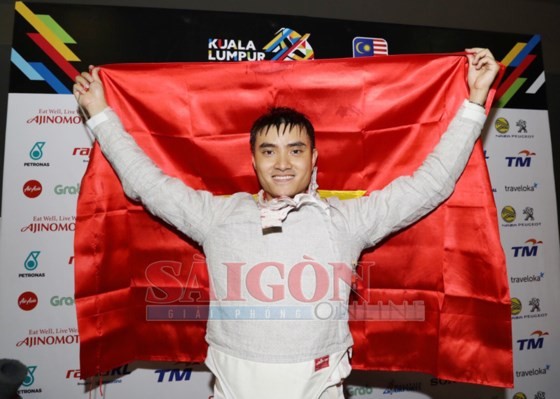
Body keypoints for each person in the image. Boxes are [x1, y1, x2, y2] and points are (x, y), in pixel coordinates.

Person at [74, 48, 500, 399]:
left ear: (314, 159)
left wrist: (474, 102)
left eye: (296, 151)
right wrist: (99, 114)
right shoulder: (217, 216)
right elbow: (144, 182)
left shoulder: (345, 221)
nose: (282, 163)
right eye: (269, 151)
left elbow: (431, 184)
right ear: (253, 160)